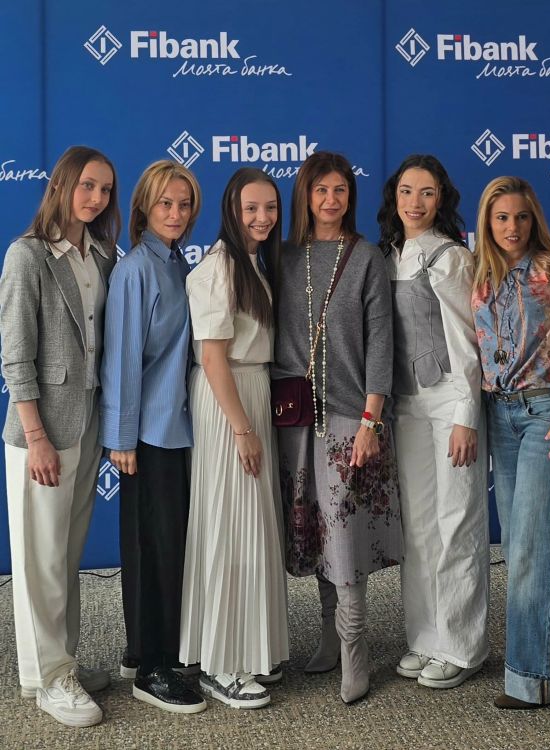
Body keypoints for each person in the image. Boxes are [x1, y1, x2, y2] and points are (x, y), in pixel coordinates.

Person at [272, 151, 402, 704]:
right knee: (314, 528)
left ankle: (355, 648)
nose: (331, 200)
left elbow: (381, 343)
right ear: (305, 194)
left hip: (350, 415)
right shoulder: (282, 256)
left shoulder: (366, 257)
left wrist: (373, 418)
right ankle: (328, 634)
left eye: (340, 190)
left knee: (344, 536)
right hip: (293, 416)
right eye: (321, 190)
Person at [0, 145, 120, 727]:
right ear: (61, 185)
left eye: (105, 189)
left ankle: (59, 662)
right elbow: (15, 354)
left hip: (86, 422)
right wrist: (36, 435)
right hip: (41, 431)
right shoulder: (27, 255)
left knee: (65, 556)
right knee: (40, 560)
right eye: (86, 185)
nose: (95, 198)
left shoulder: (102, 254)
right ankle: (49, 680)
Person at [471, 176, 550, 708]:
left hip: (549, 413)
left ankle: (533, 680)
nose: (512, 227)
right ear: (487, 222)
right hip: (499, 415)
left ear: (534, 219)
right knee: (524, 544)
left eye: (521, 217)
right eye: (501, 218)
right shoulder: (478, 276)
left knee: (533, 550)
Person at [377, 155, 489, 689]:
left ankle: (462, 646)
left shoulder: (451, 257)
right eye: (406, 191)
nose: (415, 202)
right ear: (394, 197)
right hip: (406, 406)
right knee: (419, 528)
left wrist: (467, 415)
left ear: (440, 198)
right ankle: (424, 638)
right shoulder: (387, 256)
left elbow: (468, 345)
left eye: (426, 192)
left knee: (456, 520)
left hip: (448, 403)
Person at [179, 168, 289, 708]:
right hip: (229, 401)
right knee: (227, 525)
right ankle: (221, 665)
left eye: (270, 207)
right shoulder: (217, 268)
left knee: (251, 526)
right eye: (251, 208)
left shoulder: (253, 264)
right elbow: (212, 357)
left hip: (253, 392)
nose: (262, 217)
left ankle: (248, 650)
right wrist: (242, 428)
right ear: (231, 209)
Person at [100, 160, 206, 714]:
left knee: (168, 547)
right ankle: (150, 668)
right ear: (144, 206)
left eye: (185, 204)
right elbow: (122, 360)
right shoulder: (135, 270)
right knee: (151, 547)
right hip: (146, 434)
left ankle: (147, 648)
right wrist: (121, 438)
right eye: (166, 203)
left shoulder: (178, 263)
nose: (176, 213)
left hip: (177, 428)